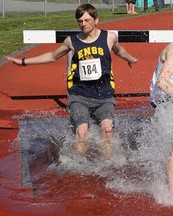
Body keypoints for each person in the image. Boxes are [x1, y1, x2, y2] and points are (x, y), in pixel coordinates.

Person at [5, 3, 138, 158]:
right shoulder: (72, 41)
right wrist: (23, 61)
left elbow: (118, 49)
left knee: (107, 130)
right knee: (82, 132)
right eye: (80, 21)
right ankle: (78, 167)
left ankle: (106, 166)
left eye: (87, 20)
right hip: (79, 96)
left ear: (96, 20)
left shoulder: (109, 37)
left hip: (104, 96)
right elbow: (52, 56)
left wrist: (129, 58)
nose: (83, 24)